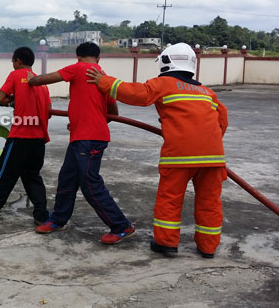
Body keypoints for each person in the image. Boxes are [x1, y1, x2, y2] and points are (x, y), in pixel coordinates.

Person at [86, 42, 227, 258]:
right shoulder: (207, 92)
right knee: (210, 203)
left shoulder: (164, 84)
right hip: (213, 157)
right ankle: (208, 247)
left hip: (180, 156)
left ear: (166, 63)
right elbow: (222, 121)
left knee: (170, 199)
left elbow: (137, 94)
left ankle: (167, 243)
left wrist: (104, 82)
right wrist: (207, 143)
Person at [28, 41, 135, 244]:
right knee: (67, 177)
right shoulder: (103, 77)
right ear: (99, 57)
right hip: (84, 136)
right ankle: (58, 219)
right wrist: (86, 119)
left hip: (89, 139)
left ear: (77, 57)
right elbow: (114, 112)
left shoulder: (78, 69)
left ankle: (122, 225)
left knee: (90, 183)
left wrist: (31, 80)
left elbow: (47, 79)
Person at [0, 46, 52, 225]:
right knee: (33, 175)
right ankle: (41, 215)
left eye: (13, 61)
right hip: (39, 138)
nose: (12, 64)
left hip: (20, 137)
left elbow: (0, 98)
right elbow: (47, 111)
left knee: (5, 173)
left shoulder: (16, 75)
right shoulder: (42, 83)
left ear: (18, 61)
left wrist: (13, 102)